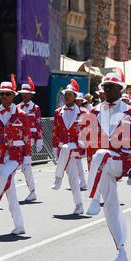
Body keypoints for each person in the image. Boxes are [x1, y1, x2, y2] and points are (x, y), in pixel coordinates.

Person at [83, 71, 131, 261]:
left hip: (121, 160)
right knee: (111, 208)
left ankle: (93, 198)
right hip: (102, 166)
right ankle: (122, 251)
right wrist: (92, 169)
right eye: (104, 87)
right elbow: (90, 144)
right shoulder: (93, 112)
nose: (107, 90)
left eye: (110, 86)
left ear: (120, 89)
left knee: (102, 154)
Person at [0, 75, 31, 235]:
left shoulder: (22, 115)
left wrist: (27, 158)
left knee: (4, 175)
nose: (4, 96)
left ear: (13, 95)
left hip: (15, 156)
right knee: (10, 191)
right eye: (2, 94)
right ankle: (19, 225)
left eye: (7, 93)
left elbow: (27, 137)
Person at [52, 79, 88, 214]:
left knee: (67, 148)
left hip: (77, 146)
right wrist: (55, 149)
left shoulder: (84, 112)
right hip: (64, 149)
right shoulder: (58, 112)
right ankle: (79, 205)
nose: (67, 96)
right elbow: (56, 131)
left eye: (70, 94)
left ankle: (58, 178)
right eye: (66, 94)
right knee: (73, 178)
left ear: (75, 96)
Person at [17, 77, 43, 202]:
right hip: (18, 139)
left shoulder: (35, 108)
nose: (24, 96)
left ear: (31, 95)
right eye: (22, 94)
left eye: (26, 94)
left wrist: (39, 139)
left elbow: (38, 124)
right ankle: (32, 191)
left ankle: (32, 191)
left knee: (25, 165)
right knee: (23, 166)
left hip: (30, 140)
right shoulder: (17, 107)